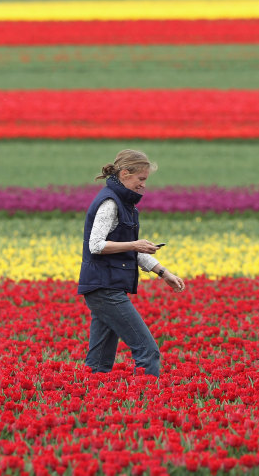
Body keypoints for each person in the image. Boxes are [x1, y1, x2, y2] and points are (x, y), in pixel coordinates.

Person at [78, 149, 186, 378]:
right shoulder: (110, 203)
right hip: (105, 288)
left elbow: (128, 247)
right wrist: (134, 245)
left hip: (105, 286)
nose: (144, 185)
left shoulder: (124, 204)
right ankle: (146, 405)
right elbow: (95, 245)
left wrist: (163, 272)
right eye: (141, 179)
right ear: (125, 174)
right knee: (147, 351)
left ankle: (91, 403)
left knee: (99, 363)